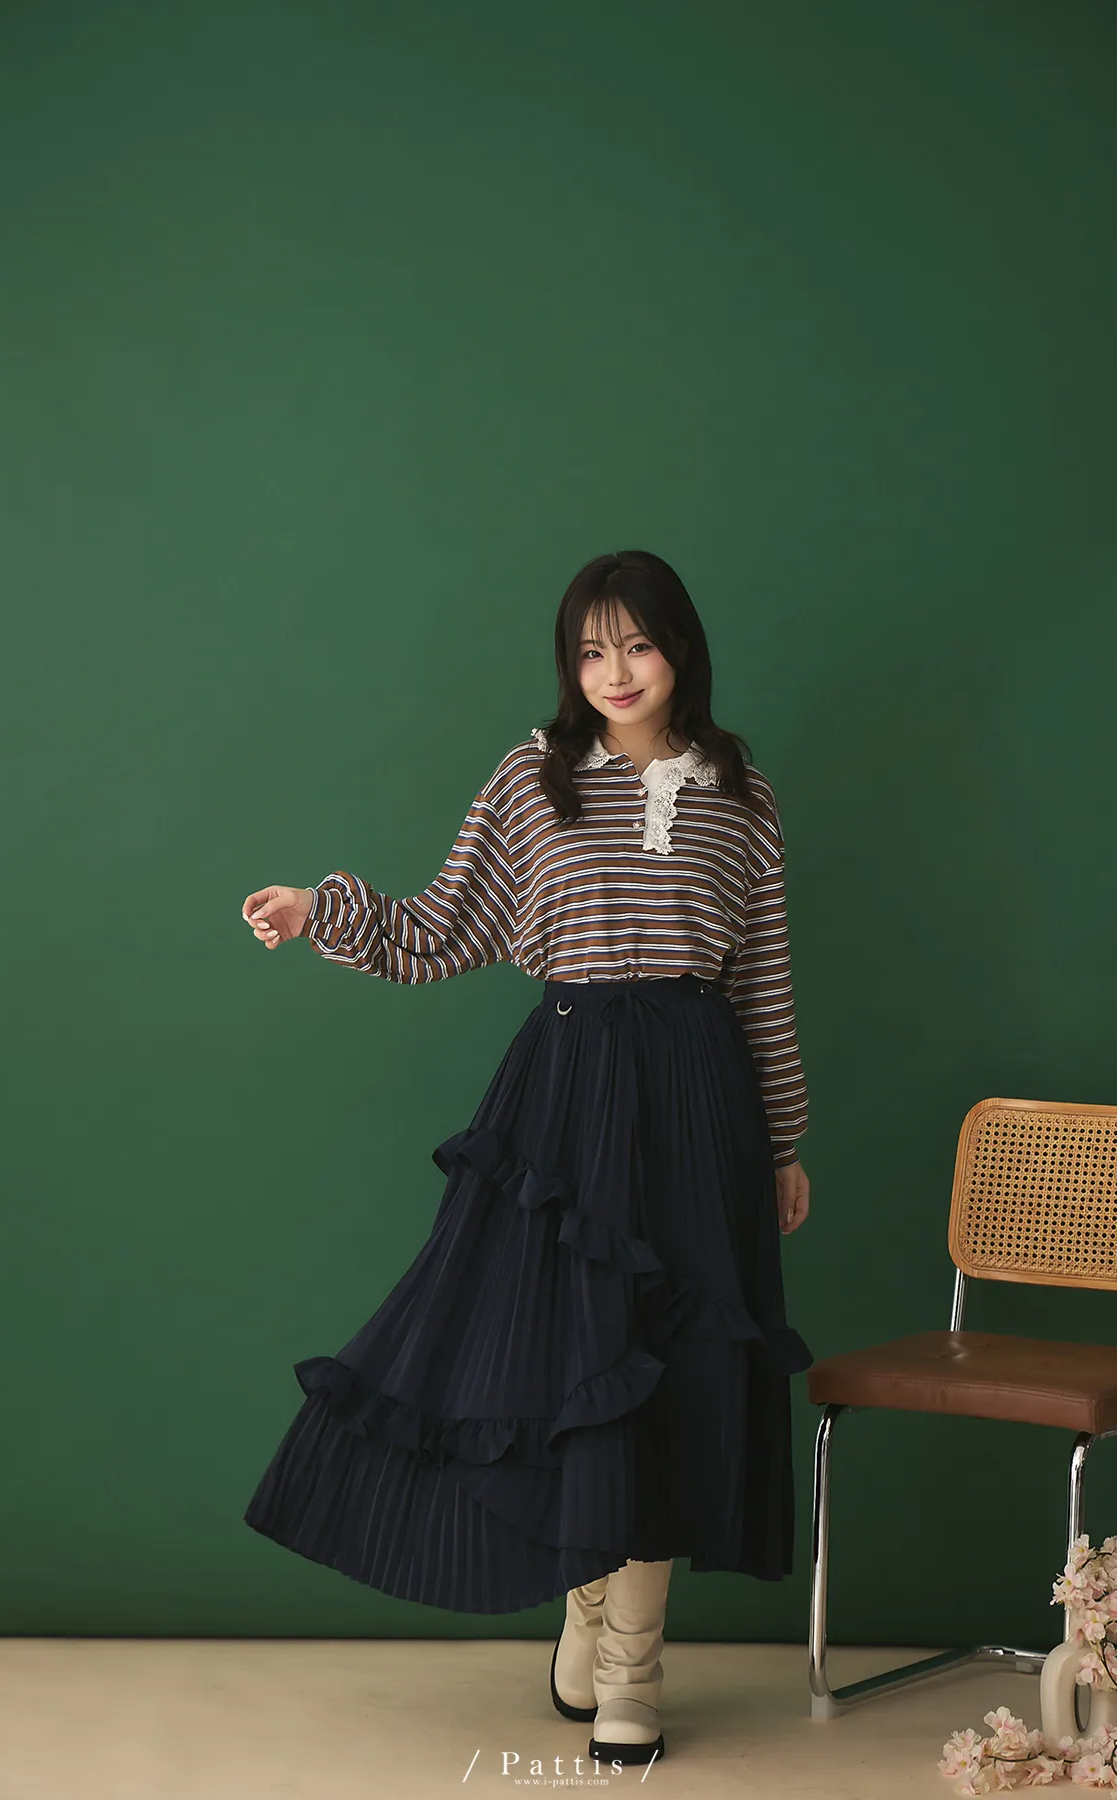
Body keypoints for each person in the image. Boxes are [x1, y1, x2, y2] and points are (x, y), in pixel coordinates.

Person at [240, 549, 813, 1766]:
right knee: (576, 1367)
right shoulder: (530, 776)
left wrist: (784, 1144)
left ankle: (632, 1668)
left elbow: (763, 978)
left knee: (674, 1373)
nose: (616, 672)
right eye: (592, 650)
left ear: (681, 649)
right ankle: (588, 1608)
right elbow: (445, 926)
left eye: (638, 644)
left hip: (699, 1104)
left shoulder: (742, 792)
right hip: (567, 1099)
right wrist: (320, 907)